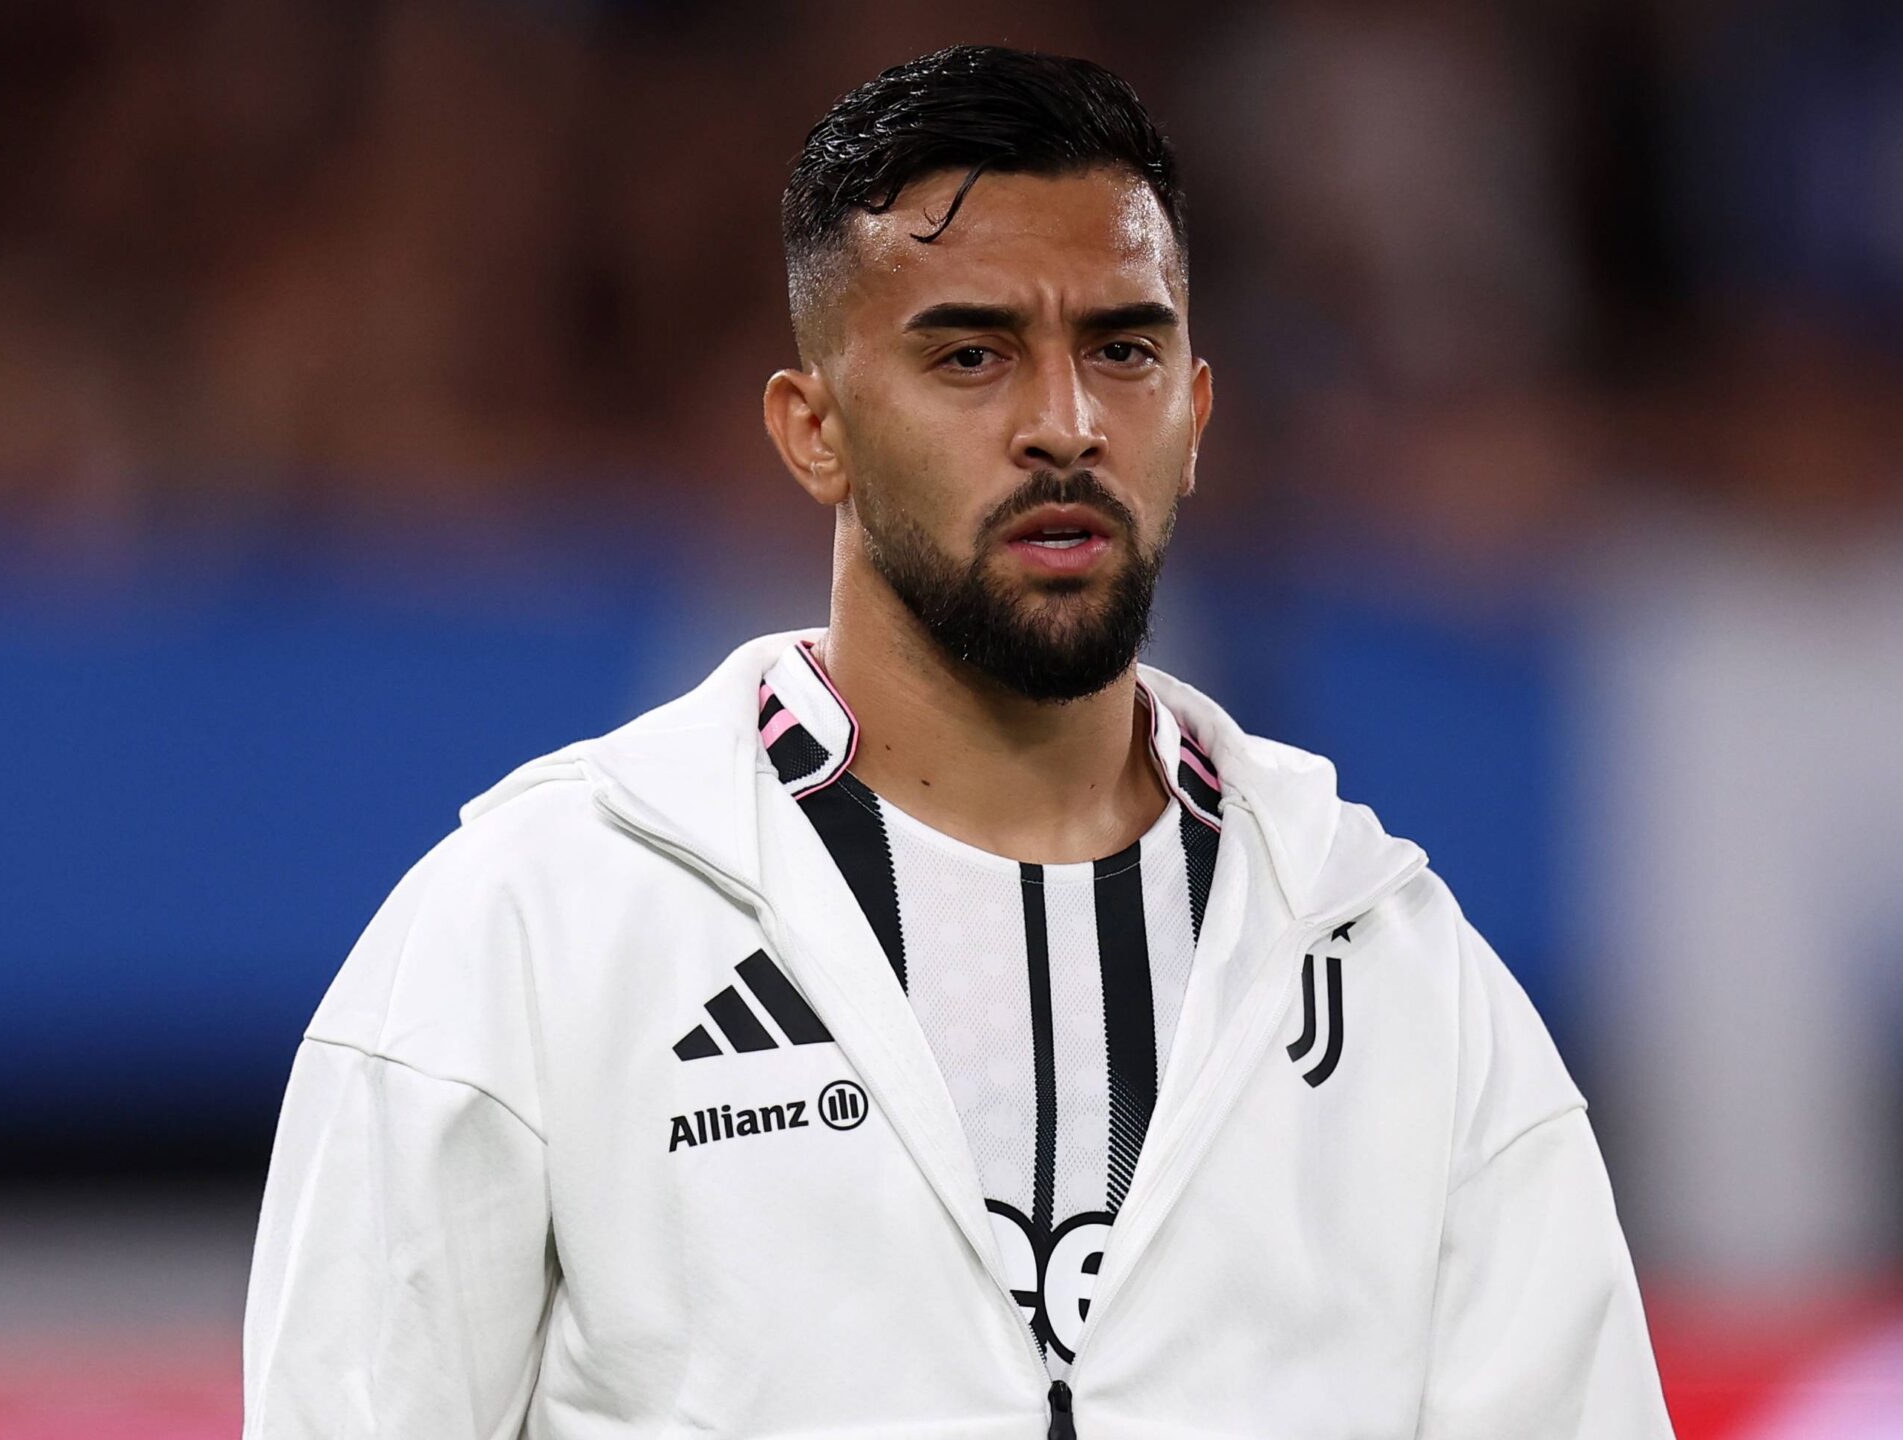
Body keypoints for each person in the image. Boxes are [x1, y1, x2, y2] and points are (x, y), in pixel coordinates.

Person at [243, 45, 1671, 1438]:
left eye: (1123, 350)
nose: (1065, 425)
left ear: (1195, 417)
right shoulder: (532, 933)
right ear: (815, 431)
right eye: (972, 355)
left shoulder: (1400, 976)